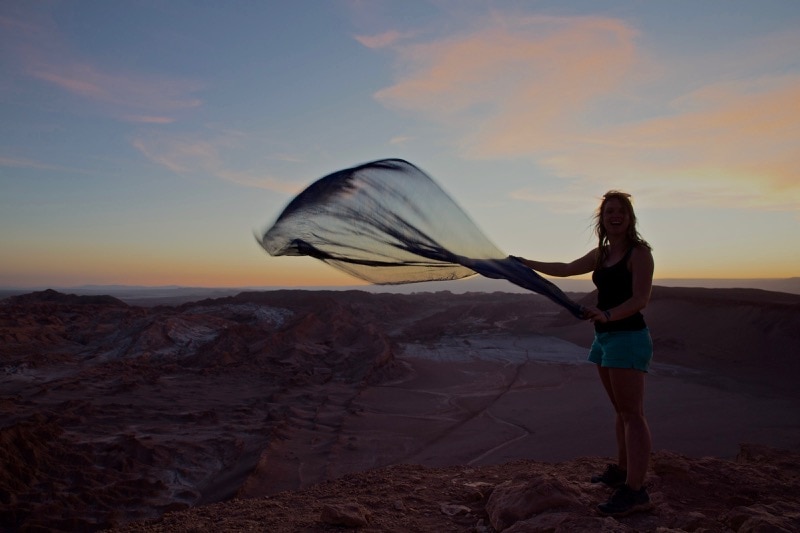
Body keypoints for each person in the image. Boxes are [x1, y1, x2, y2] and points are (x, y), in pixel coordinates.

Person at [514, 191, 654, 516]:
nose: (615, 216)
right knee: (620, 411)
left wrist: (607, 315)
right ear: (602, 219)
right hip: (605, 338)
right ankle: (622, 471)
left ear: (630, 217)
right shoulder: (602, 254)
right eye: (609, 212)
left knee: (633, 414)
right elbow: (564, 268)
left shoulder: (639, 253)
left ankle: (636, 491)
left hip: (627, 337)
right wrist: (525, 263)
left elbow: (640, 299)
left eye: (621, 211)